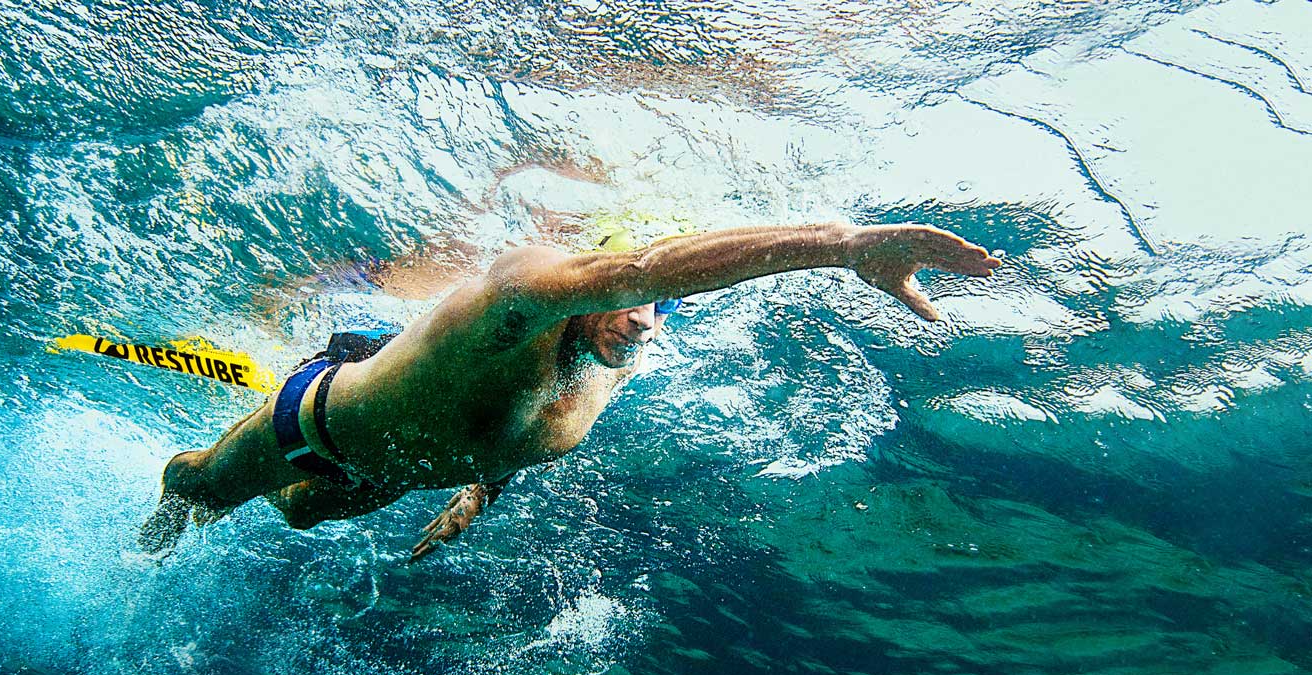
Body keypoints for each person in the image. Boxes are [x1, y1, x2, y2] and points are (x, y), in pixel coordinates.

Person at [139, 221, 1000, 561]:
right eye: (632, 302)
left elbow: (511, 428)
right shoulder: (520, 300)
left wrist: (482, 489)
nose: (648, 318)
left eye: (660, 312)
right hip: (316, 424)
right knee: (202, 490)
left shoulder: (618, 360)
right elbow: (645, 267)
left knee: (301, 516)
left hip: (399, 469)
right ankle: (139, 543)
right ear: (590, 285)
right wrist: (842, 246)